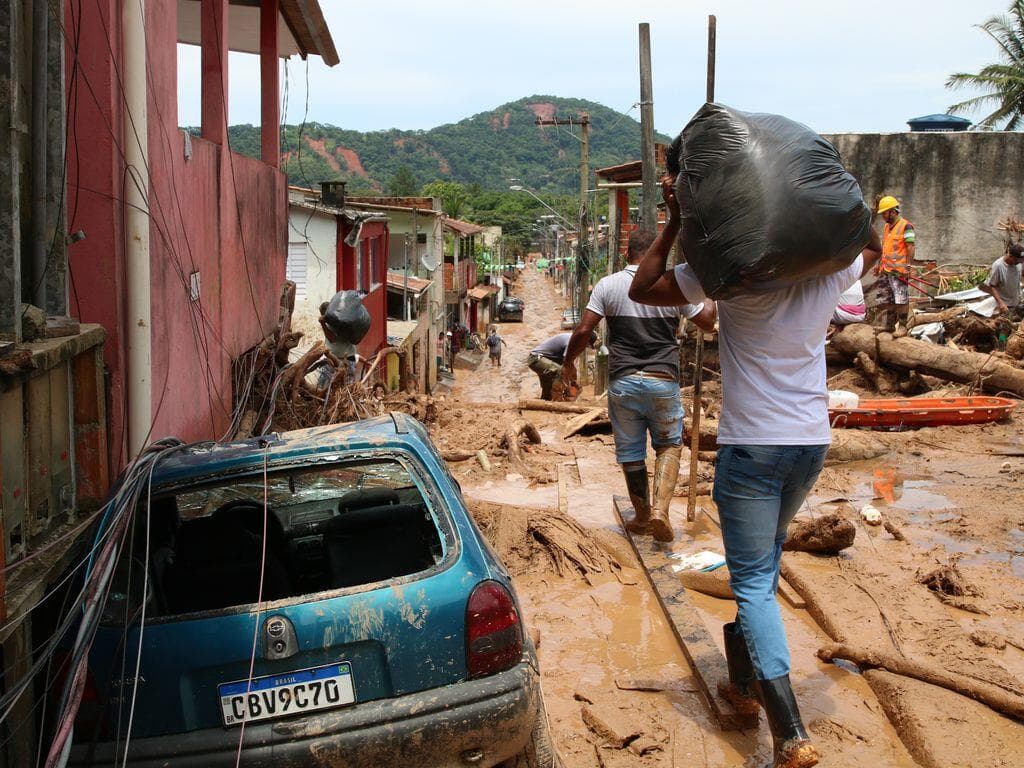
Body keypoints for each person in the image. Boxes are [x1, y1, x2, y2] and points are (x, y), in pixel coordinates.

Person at [629, 175, 882, 768]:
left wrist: (674, 218)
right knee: (763, 563)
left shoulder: (728, 279)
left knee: (751, 582)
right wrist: (847, 200)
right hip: (808, 447)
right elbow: (872, 247)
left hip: (751, 452)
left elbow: (643, 287)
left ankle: (789, 730)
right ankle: (742, 686)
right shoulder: (825, 278)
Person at [560, 229, 716, 542]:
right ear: (661, 255)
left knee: (630, 451)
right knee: (669, 445)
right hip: (663, 380)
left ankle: (642, 516)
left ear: (626, 254)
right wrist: (709, 287)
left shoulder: (608, 285)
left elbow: (582, 330)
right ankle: (660, 510)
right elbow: (707, 321)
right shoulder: (672, 286)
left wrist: (568, 363)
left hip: (623, 382)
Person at [873, 195, 915, 331]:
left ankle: (903, 327)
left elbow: (910, 247)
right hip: (886, 269)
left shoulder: (906, 226)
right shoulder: (886, 227)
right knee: (888, 299)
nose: (883, 216)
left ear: (893, 211)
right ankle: (889, 326)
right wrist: (879, 265)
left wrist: (908, 266)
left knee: (901, 298)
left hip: (899, 271)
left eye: (885, 213)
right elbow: (885, 247)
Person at [527, 331, 595, 400]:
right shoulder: (571, 341)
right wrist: (571, 384)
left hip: (542, 359)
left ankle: (545, 403)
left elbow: (569, 366)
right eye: (587, 345)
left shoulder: (574, 340)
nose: (585, 347)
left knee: (548, 387)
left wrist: (573, 382)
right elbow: (567, 366)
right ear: (585, 339)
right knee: (560, 372)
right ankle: (557, 401)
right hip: (536, 359)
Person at [978, 243, 1024, 318]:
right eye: (1017, 260)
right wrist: (1001, 303)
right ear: (1011, 256)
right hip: (1005, 306)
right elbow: (992, 286)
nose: (1019, 263)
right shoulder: (998, 266)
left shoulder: (1017, 264)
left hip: (1016, 302)